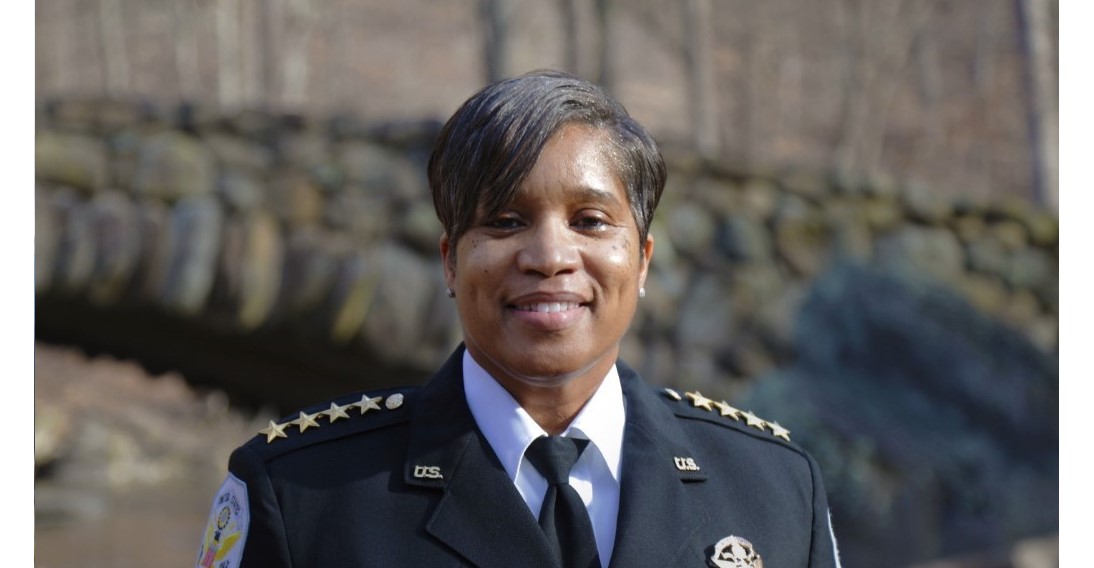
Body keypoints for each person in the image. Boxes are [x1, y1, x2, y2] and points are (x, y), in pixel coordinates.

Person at [195, 70, 842, 568]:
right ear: (451, 263)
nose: (550, 257)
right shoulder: (302, 496)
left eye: (590, 221)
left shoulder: (775, 488)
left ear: (641, 261)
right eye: (505, 221)